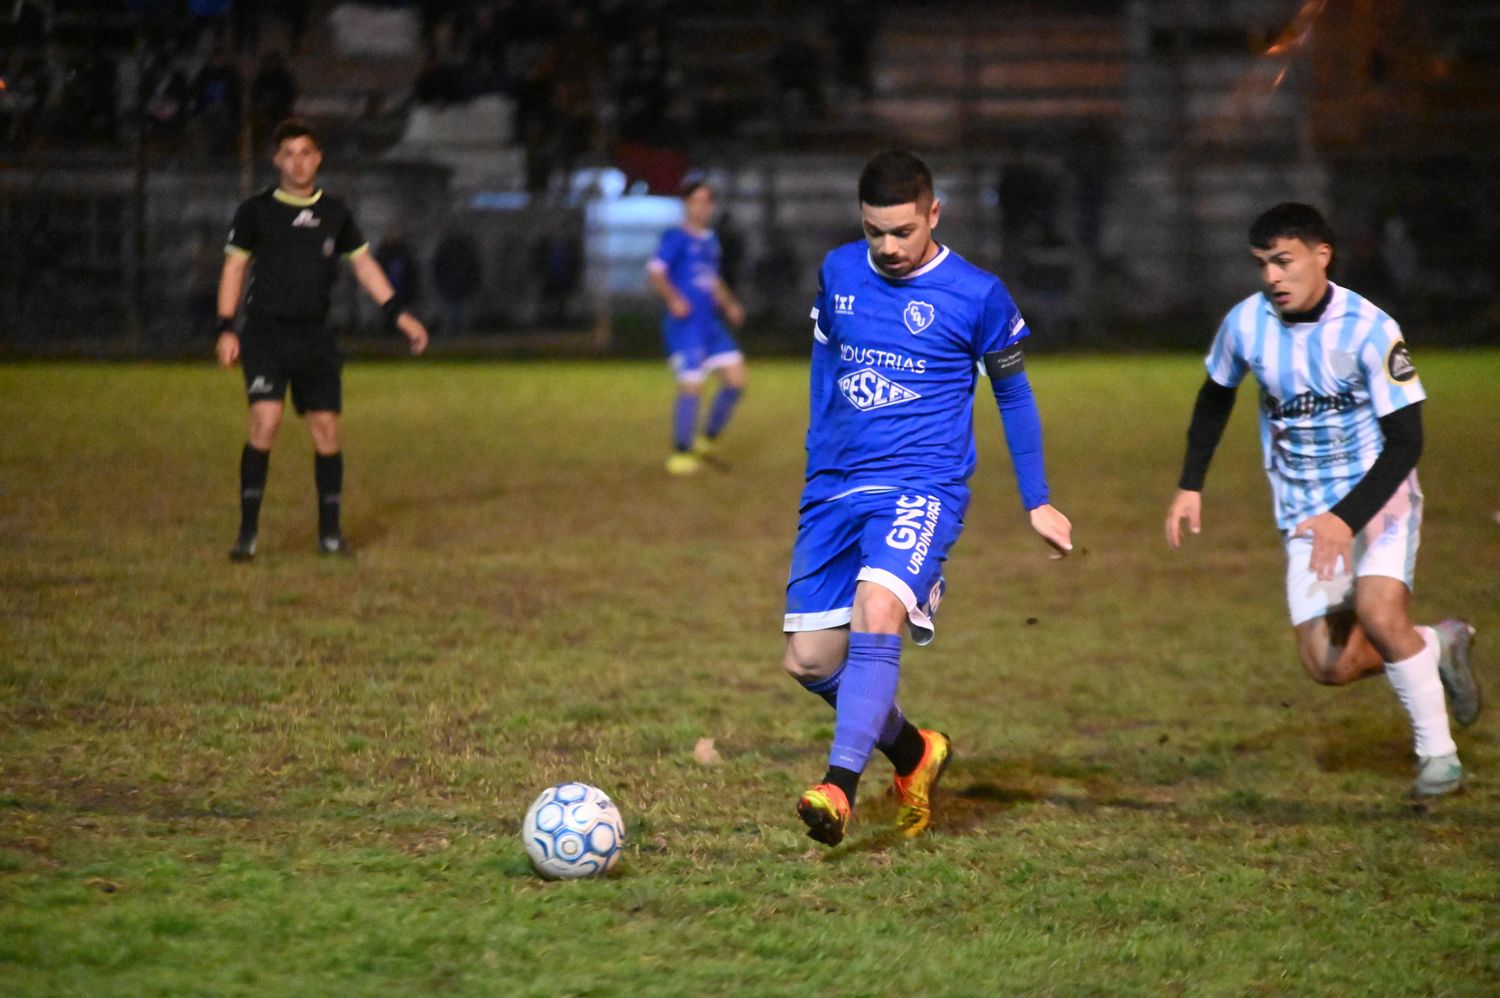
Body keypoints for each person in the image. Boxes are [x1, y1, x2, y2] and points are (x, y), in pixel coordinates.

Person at [784, 150, 1073, 846]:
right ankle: (916, 755)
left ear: (933, 215)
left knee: (877, 608)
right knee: (812, 661)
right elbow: (826, 359)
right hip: (836, 485)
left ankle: (839, 788)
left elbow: (1013, 392)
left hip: (922, 483)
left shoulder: (977, 295)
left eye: (902, 231)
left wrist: (1037, 498)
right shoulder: (839, 271)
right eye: (874, 231)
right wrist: (819, 452)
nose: (887, 247)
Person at [1164, 202, 1481, 798]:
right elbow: (1214, 397)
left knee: (1379, 612)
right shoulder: (1246, 325)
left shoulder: (1370, 328)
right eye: (1262, 265)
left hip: (1379, 496)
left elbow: (1407, 439)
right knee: (1328, 667)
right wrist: (1190, 483)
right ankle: (1437, 643)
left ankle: (1439, 758)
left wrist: (1347, 518)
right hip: (1303, 511)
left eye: (1283, 262)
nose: (1271, 278)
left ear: (1321, 256)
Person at [215, 119, 429, 561]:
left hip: (315, 337)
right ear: (277, 160)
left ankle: (330, 534)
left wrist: (398, 314)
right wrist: (224, 328)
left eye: (305, 152)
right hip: (266, 335)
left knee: (327, 431)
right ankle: (247, 535)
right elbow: (234, 269)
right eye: (288, 153)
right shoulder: (255, 212)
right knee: (265, 424)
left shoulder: (336, 213)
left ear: (318, 158)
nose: (297, 160)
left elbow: (365, 266)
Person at [646, 174, 747, 475]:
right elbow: (656, 272)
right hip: (686, 325)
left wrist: (729, 303)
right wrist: (674, 299)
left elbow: (711, 279)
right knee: (692, 386)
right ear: (685, 204)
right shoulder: (675, 237)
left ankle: (706, 441)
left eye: (707, 201)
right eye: (696, 200)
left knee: (737, 381)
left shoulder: (711, 240)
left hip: (710, 324)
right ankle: (680, 453)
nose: (702, 206)